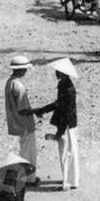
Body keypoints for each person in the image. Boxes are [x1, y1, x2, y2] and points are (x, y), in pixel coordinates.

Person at [37, 58, 79, 191]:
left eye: (58, 71)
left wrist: (60, 130)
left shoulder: (69, 90)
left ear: (63, 73)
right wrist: (43, 109)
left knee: (66, 153)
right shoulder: (64, 85)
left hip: (67, 124)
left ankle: (67, 182)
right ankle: (72, 180)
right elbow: (58, 104)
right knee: (69, 152)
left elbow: (66, 111)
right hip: (67, 123)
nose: (56, 73)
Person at [4, 55, 43, 187]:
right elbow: (23, 109)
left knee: (24, 149)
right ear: (21, 70)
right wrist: (37, 110)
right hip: (25, 122)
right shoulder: (19, 86)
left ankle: (26, 177)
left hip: (16, 122)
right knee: (28, 152)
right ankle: (27, 179)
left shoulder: (10, 82)